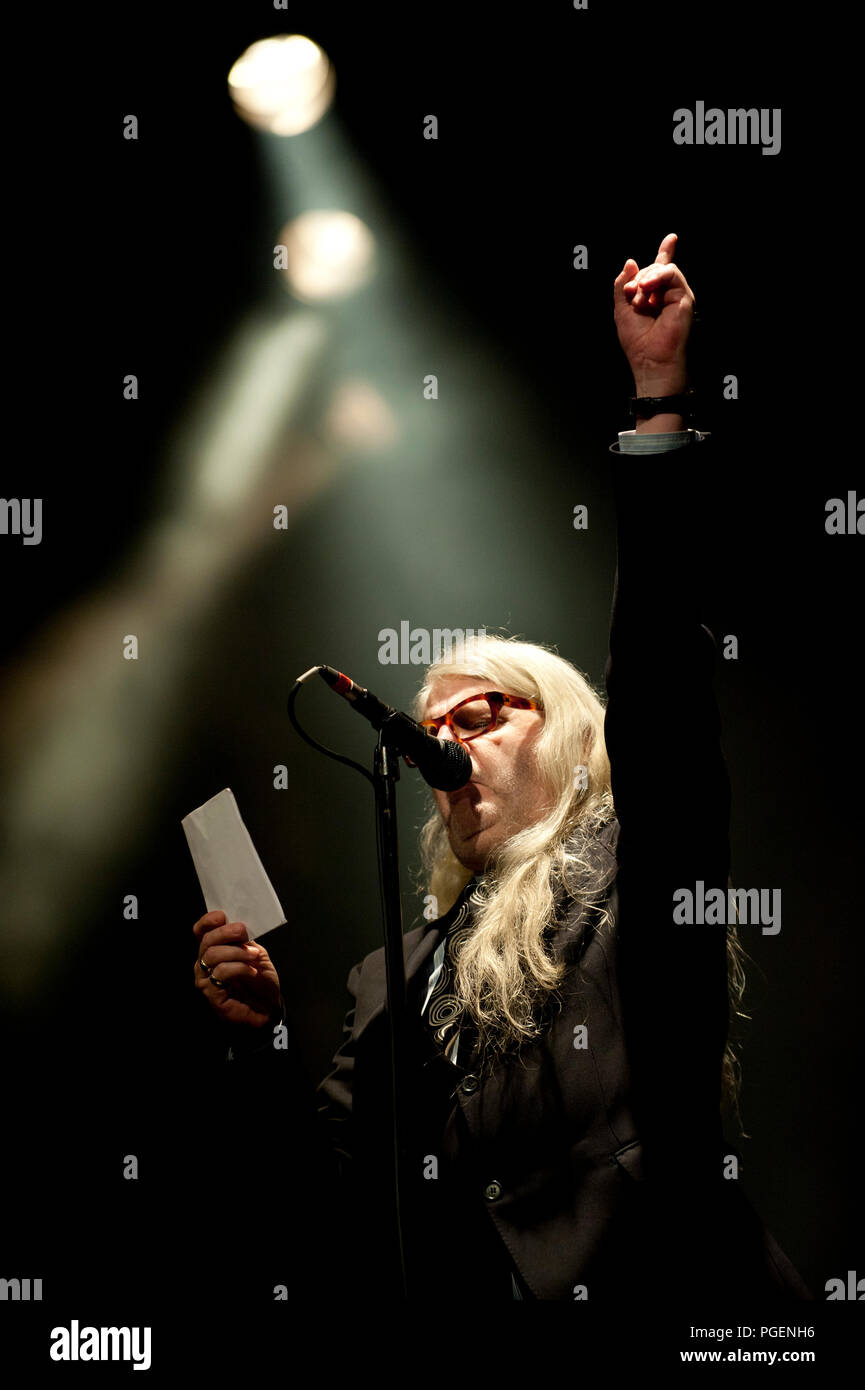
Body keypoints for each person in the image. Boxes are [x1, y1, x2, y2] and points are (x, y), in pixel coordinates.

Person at [191, 234, 812, 1303]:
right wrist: (260, 1041)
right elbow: (336, 1205)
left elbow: (663, 700)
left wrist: (655, 406)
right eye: (436, 724)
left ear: (573, 739)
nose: (449, 737)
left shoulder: (628, 873)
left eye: (486, 712)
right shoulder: (391, 977)